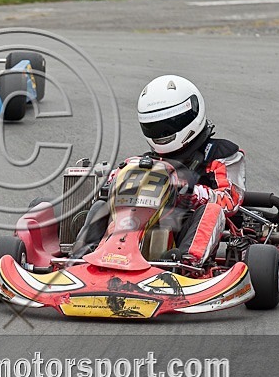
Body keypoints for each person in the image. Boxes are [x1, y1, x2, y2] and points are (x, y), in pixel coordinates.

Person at [71, 75, 246, 267]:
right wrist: (114, 179)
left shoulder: (221, 153)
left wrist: (191, 192)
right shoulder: (148, 160)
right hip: (145, 221)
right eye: (154, 127)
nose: (162, 134)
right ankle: (82, 259)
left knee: (212, 211)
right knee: (101, 206)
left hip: (187, 225)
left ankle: (188, 264)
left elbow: (230, 200)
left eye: (169, 125)